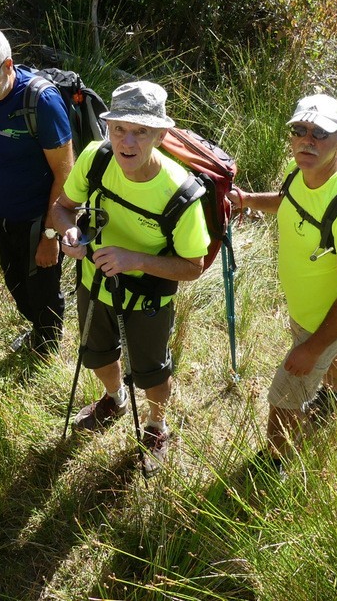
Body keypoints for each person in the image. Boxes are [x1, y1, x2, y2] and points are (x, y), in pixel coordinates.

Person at [49, 81, 210, 477]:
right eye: (119, 128)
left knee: (152, 371)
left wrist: (132, 259)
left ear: (160, 135)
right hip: (93, 279)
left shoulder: (181, 192)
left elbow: (193, 265)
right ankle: (114, 397)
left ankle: (157, 425)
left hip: (148, 298)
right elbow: (62, 208)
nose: (127, 141)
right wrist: (70, 233)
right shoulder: (96, 157)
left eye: (140, 131)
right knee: (97, 355)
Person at [228, 93, 337, 471]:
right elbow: (288, 202)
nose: (306, 140)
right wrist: (246, 199)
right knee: (325, 362)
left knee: (284, 397)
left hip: (326, 321)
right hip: (307, 311)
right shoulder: (303, 172)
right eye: (300, 130)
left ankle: (275, 462)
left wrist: (312, 348)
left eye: (319, 133)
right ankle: (335, 399)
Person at [0, 24, 73, 354]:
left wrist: (50, 236)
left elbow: (65, 172)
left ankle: (48, 342)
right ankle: (39, 328)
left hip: (38, 219)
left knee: (42, 289)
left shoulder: (41, 102)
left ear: (8, 66)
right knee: (17, 284)